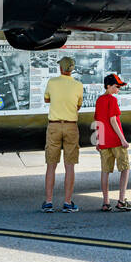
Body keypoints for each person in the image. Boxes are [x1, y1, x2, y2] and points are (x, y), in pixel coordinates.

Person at [42, 55, 84, 212]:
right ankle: (67, 202)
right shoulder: (78, 85)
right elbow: (78, 105)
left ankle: (48, 202)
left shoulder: (52, 82)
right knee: (70, 166)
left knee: (51, 165)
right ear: (72, 69)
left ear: (60, 68)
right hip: (71, 126)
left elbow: (47, 99)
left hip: (53, 126)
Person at [94, 73, 131, 211]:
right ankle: (121, 200)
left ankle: (105, 202)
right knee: (125, 168)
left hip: (104, 142)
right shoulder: (112, 100)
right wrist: (123, 139)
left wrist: (98, 140)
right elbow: (113, 120)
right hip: (116, 141)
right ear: (108, 86)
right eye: (116, 87)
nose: (118, 90)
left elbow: (98, 121)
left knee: (105, 171)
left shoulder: (99, 100)